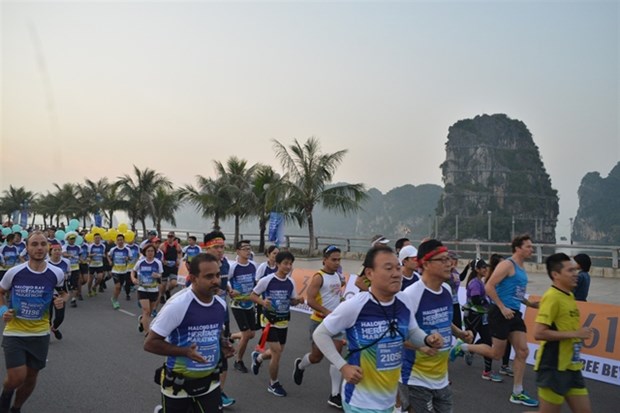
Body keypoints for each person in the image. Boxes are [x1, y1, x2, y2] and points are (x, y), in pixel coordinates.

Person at [313, 245, 443, 413]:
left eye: (398, 268)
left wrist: (427, 339)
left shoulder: (404, 301)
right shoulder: (356, 305)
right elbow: (320, 334)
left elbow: (412, 331)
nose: (396, 273)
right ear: (369, 273)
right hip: (359, 402)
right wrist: (343, 366)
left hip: (388, 401)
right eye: (388, 268)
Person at [144, 253, 234, 413]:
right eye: (209, 276)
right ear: (193, 278)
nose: (216, 280)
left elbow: (214, 333)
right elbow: (150, 343)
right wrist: (184, 352)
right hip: (178, 385)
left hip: (210, 382)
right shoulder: (178, 305)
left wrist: (222, 344)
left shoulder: (220, 304)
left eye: (218, 275)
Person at [399, 240, 474, 413]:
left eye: (450, 259)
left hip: (441, 377)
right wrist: (422, 345)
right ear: (425, 263)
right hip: (415, 378)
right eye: (443, 260)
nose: (450, 264)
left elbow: (444, 319)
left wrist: (460, 333)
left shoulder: (447, 290)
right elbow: (396, 334)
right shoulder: (411, 295)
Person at [0, 231, 66, 413]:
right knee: (16, 378)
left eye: (43, 244)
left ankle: (16, 408)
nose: (39, 248)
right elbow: (1, 291)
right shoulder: (14, 272)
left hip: (40, 333)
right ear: (27, 248)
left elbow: (63, 291)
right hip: (15, 331)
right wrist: (3, 311)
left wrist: (62, 299)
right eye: (34, 244)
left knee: (30, 378)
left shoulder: (56, 272)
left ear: (48, 247)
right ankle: (5, 394)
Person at [484, 234, 540, 407]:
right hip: (501, 313)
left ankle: (517, 392)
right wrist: (502, 307)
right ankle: (463, 346)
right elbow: (489, 287)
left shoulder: (522, 268)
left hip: (514, 314)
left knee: (522, 351)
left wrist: (529, 303)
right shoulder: (507, 265)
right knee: (497, 354)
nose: (532, 249)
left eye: (532, 246)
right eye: (528, 246)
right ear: (518, 248)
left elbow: (516, 292)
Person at [533, 253, 593, 413]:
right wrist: (575, 334)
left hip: (572, 366)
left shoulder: (570, 295)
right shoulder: (552, 297)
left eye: (575, 270)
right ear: (556, 275)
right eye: (570, 271)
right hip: (553, 366)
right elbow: (539, 333)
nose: (575, 274)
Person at [292, 245, 346, 409]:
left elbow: (337, 297)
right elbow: (310, 300)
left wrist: (343, 307)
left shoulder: (338, 276)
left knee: (336, 356)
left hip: (336, 323)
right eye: (333, 259)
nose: (336, 263)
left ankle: (334, 395)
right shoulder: (318, 277)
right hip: (319, 322)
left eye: (338, 259)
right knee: (317, 357)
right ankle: (300, 365)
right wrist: (326, 312)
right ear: (325, 260)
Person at [249, 251, 304, 397]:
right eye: (285, 263)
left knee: (277, 351)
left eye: (290, 264)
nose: (288, 266)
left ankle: (258, 358)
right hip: (269, 321)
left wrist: (297, 300)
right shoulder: (267, 280)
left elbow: (291, 300)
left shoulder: (290, 282)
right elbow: (252, 295)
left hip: (283, 320)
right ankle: (273, 383)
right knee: (277, 352)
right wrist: (262, 301)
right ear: (278, 264)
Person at [202, 231, 235, 408]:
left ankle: (219, 393)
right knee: (207, 354)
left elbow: (224, 282)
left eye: (222, 247)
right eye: (216, 247)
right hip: (204, 318)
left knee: (224, 353)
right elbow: (191, 289)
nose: (221, 250)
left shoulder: (225, 265)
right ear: (207, 247)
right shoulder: (198, 265)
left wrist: (228, 289)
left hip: (223, 315)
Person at [460, 258, 502, 381]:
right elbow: (476, 300)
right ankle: (464, 349)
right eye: (483, 267)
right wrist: (488, 302)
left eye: (486, 267)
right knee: (470, 338)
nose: (485, 269)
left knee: (487, 341)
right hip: (472, 317)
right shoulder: (474, 283)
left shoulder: (481, 282)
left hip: (482, 316)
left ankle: (487, 371)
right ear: (477, 269)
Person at [228, 240, 258, 374]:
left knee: (251, 334)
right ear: (238, 251)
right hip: (237, 304)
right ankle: (238, 360)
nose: (248, 251)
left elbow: (256, 282)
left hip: (249, 303)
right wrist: (231, 291)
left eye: (249, 248)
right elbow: (226, 281)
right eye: (245, 248)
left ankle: (232, 336)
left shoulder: (253, 265)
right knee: (246, 335)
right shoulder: (233, 267)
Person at [131, 244, 163, 335]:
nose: (150, 253)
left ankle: (142, 321)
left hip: (153, 290)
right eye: (148, 251)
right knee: (146, 310)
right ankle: (147, 333)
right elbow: (133, 271)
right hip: (142, 289)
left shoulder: (158, 263)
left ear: (154, 252)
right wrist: (133, 279)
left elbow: (161, 275)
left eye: (152, 251)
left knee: (148, 313)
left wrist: (158, 276)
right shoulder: (140, 262)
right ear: (145, 252)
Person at [46, 243, 70, 340]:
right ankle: (47, 334)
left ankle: (54, 328)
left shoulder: (66, 262)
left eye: (59, 250)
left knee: (60, 317)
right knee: (48, 316)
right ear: (50, 252)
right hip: (48, 292)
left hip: (61, 292)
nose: (57, 252)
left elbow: (68, 274)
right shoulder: (46, 263)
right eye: (55, 250)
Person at [108, 234, 131, 310]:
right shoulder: (113, 249)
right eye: (118, 240)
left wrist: (128, 259)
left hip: (124, 271)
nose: (120, 241)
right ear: (116, 241)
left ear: (124, 241)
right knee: (117, 286)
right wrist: (110, 261)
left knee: (119, 288)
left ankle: (114, 298)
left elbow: (130, 258)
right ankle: (115, 300)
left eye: (121, 240)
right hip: (115, 270)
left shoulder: (127, 250)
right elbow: (108, 255)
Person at [159, 232, 181, 304]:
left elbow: (180, 253)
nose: (170, 238)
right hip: (165, 266)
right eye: (169, 236)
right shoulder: (163, 245)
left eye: (171, 236)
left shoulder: (177, 245)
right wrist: (163, 261)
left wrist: (178, 259)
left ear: (174, 237)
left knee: (174, 283)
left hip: (173, 266)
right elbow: (159, 254)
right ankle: (162, 296)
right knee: (163, 283)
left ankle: (167, 291)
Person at [62, 233, 81, 308]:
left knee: (75, 284)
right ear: (67, 239)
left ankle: (73, 300)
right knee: (65, 284)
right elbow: (64, 254)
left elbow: (80, 256)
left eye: (74, 239)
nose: (72, 240)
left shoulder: (78, 247)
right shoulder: (65, 246)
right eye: (71, 239)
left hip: (75, 268)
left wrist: (83, 260)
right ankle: (65, 295)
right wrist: (70, 255)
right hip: (66, 269)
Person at [86, 232, 106, 297]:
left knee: (100, 277)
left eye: (98, 238)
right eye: (96, 238)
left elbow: (103, 254)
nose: (97, 239)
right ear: (94, 239)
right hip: (92, 264)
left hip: (100, 264)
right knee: (90, 280)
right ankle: (89, 290)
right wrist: (92, 255)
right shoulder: (91, 246)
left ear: (100, 238)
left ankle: (94, 287)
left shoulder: (103, 246)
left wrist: (103, 255)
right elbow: (88, 254)